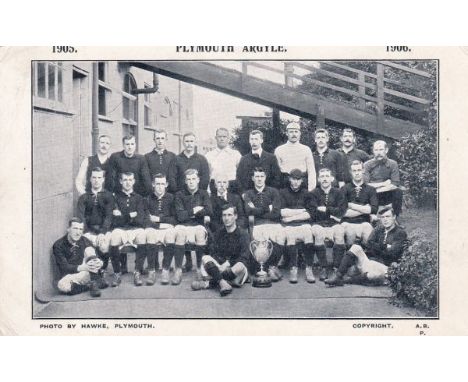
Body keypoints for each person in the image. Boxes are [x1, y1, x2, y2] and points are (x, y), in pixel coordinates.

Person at [326, 206, 408, 286]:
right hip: (371, 263)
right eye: (382, 217)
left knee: (372, 275)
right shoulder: (379, 229)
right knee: (356, 247)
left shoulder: (400, 233)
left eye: (388, 216)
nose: (385, 220)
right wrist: (385, 246)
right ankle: (338, 276)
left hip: (386, 267)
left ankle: (346, 281)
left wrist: (377, 247)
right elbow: (369, 244)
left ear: (394, 217)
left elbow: (392, 253)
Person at [191, 205, 251, 296]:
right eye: (224, 215)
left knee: (241, 265)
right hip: (221, 266)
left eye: (229, 215)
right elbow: (213, 252)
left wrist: (229, 263)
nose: (226, 218)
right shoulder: (218, 233)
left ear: (235, 216)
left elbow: (244, 257)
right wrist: (221, 264)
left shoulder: (243, 234)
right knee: (205, 258)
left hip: (235, 269)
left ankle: (211, 283)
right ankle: (223, 283)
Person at [243, 167, 283, 282]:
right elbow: (248, 211)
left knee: (280, 235)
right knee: (261, 241)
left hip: (273, 223)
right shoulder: (248, 194)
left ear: (265, 177)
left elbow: (276, 213)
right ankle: (263, 267)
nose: (259, 179)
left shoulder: (273, 192)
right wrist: (267, 209)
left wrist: (257, 210)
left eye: (261, 176)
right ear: (252, 178)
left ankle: (272, 266)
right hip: (257, 225)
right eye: (256, 176)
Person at [173, 169, 213, 283]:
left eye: (194, 179)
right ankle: (178, 270)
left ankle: (199, 268)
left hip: (198, 225)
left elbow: (209, 211)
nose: (191, 182)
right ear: (185, 181)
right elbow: (180, 216)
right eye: (189, 179)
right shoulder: (179, 195)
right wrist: (195, 210)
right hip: (183, 225)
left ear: (198, 180)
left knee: (200, 233)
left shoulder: (203, 193)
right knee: (180, 233)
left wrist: (188, 213)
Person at [108, 172, 147, 287]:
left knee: (142, 236)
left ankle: (137, 271)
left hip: (135, 228)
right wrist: (130, 216)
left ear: (134, 181)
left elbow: (140, 219)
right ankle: (117, 272)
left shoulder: (139, 198)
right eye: (125, 180)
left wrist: (122, 216)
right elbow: (115, 221)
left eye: (130, 180)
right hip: (120, 229)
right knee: (114, 237)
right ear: (120, 181)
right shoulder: (115, 198)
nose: (128, 182)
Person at [278, 169, 317, 283]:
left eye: (298, 179)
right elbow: (282, 212)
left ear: (302, 180)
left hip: (302, 223)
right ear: (289, 179)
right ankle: (293, 268)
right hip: (288, 225)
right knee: (290, 236)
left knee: (308, 234)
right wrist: (301, 211)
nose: (295, 182)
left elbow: (310, 214)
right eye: (293, 179)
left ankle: (309, 268)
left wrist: (291, 217)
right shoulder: (282, 192)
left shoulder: (307, 193)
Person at [52, 217, 106, 297]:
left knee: (89, 249)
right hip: (72, 276)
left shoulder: (84, 240)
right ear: (68, 229)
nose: (78, 232)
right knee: (62, 285)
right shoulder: (58, 245)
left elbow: (95, 256)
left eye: (81, 229)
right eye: (75, 228)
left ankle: (94, 281)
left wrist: (100, 263)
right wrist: (83, 267)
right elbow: (64, 267)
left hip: (86, 273)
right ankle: (91, 284)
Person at [310, 168, 347, 281]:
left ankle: (336, 268)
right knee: (319, 233)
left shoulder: (339, 192)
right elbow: (314, 212)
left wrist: (325, 209)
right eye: (322, 177)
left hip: (334, 223)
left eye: (327, 176)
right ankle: (323, 267)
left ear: (332, 178)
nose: (325, 179)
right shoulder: (313, 193)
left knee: (340, 232)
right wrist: (332, 211)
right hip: (318, 223)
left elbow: (341, 210)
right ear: (318, 179)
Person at [76, 167, 114, 273]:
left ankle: (103, 270)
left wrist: (102, 233)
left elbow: (109, 216)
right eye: (94, 177)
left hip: (104, 231)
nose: (96, 180)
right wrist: (88, 233)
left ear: (103, 179)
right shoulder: (84, 197)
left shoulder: (108, 196)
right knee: (89, 249)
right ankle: (94, 273)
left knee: (104, 246)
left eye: (99, 177)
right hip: (88, 231)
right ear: (90, 179)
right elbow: (81, 217)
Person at [144, 173, 177, 285]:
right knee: (150, 234)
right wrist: (161, 224)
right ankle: (151, 271)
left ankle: (165, 269)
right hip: (153, 228)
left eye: (162, 184)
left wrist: (158, 218)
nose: (160, 186)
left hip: (167, 229)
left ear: (166, 184)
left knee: (171, 234)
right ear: (153, 184)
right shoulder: (147, 199)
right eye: (157, 184)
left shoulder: (171, 198)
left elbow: (174, 219)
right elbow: (146, 220)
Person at [341, 160, 378, 246]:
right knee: (350, 233)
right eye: (354, 171)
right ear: (351, 172)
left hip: (364, 222)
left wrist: (351, 205)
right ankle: (349, 256)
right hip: (347, 223)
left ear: (363, 171)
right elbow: (342, 212)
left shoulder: (370, 189)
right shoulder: (344, 189)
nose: (357, 173)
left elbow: (373, 209)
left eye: (359, 170)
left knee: (368, 232)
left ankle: (367, 256)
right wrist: (364, 209)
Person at [364, 140, 403, 217]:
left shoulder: (393, 164)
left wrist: (377, 188)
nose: (378, 153)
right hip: (372, 195)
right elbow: (365, 185)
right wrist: (384, 184)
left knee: (398, 192)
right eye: (376, 150)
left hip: (386, 194)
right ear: (373, 151)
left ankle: (395, 217)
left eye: (381, 149)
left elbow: (394, 184)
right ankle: (370, 218)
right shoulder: (367, 165)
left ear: (386, 150)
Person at [274, 121, 316, 191]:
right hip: (285, 183)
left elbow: (311, 171)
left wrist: (311, 189)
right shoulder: (279, 150)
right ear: (287, 133)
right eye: (291, 132)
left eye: (296, 132)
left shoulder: (306, 149)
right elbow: (276, 172)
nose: (294, 134)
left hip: (302, 183)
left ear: (300, 133)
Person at [205, 127, 242, 193]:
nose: (222, 139)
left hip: (232, 187)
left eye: (224, 137)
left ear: (228, 138)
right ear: (215, 138)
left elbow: (241, 174)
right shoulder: (209, 155)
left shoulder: (236, 154)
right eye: (219, 136)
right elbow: (207, 175)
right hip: (214, 187)